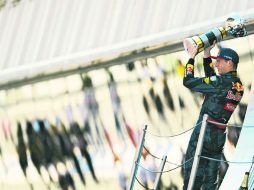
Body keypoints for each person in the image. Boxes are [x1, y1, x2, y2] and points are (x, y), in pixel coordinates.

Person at [182, 42, 244, 190]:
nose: (216, 65)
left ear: (229, 62)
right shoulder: (238, 85)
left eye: (219, 61)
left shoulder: (220, 82)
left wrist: (191, 57)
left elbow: (188, 81)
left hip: (204, 132)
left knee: (192, 172)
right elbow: (213, 82)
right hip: (219, 135)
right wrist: (206, 55)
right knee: (211, 178)